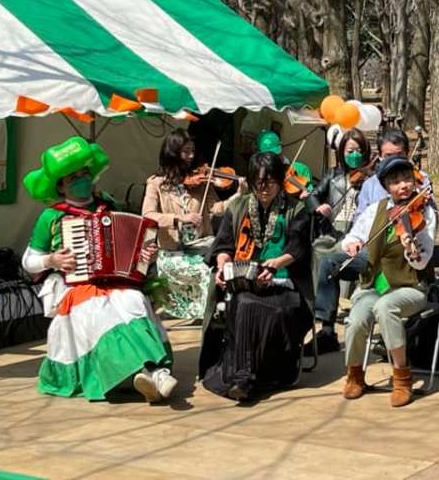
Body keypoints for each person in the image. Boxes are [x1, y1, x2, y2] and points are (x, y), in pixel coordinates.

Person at [21, 136, 177, 402]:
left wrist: (146, 255)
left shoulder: (108, 205)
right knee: (98, 312)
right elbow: (28, 260)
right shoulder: (51, 216)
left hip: (115, 282)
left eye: (84, 173)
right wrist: (52, 261)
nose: (82, 180)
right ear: (60, 186)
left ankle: (149, 371)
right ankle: (150, 372)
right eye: (73, 177)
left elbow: (132, 246)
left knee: (134, 300)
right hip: (75, 285)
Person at [198, 152, 314, 401]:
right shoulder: (238, 206)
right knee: (243, 302)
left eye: (270, 182)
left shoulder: (296, 208)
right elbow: (224, 245)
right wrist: (222, 266)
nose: (264, 189)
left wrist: (276, 263)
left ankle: (253, 375)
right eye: (259, 183)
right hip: (244, 284)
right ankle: (242, 376)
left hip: (284, 285)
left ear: (280, 181)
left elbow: (298, 247)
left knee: (265, 308)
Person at [340, 156, 437, 408]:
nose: (403, 185)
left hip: (410, 287)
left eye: (406, 179)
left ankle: (402, 376)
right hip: (374, 286)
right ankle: (354, 374)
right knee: (356, 319)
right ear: (386, 186)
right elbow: (352, 235)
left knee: (385, 308)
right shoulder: (376, 210)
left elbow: (422, 262)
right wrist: (352, 244)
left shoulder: (424, 212)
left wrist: (411, 248)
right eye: (395, 181)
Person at [142, 128, 244, 319]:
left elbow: (217, 208)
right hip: (173, 252)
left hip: (201, 246)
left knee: (228, 266)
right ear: (172, 153)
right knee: (206, 272)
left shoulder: (200, 182)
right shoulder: (156, 183)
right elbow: (148, 215)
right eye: (185, 151)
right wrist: (178, 218)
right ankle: (210, 313)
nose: (191, 156)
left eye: (192, 151)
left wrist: (238, 196)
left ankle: (226, 310)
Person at [307, 129, 374, 354]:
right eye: (350, 151)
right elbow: (313, 195)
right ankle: (326, 328)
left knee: (330, 260)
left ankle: (328, 326)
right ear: (341, 152)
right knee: (320, 252)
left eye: (359, 150)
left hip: (359, 236)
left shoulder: (373, 179)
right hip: (335, 232)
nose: (354, 155)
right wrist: (318, 206)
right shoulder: (333, 175)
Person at [355, 128, 432, 216]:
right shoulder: (369, 185)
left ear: (407, 153)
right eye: (388, 156)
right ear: (380, 156)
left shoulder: (422, 179)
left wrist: (425, 205)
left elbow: (433, 215)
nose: (394, 160)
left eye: (399, 154)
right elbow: (359, 218)